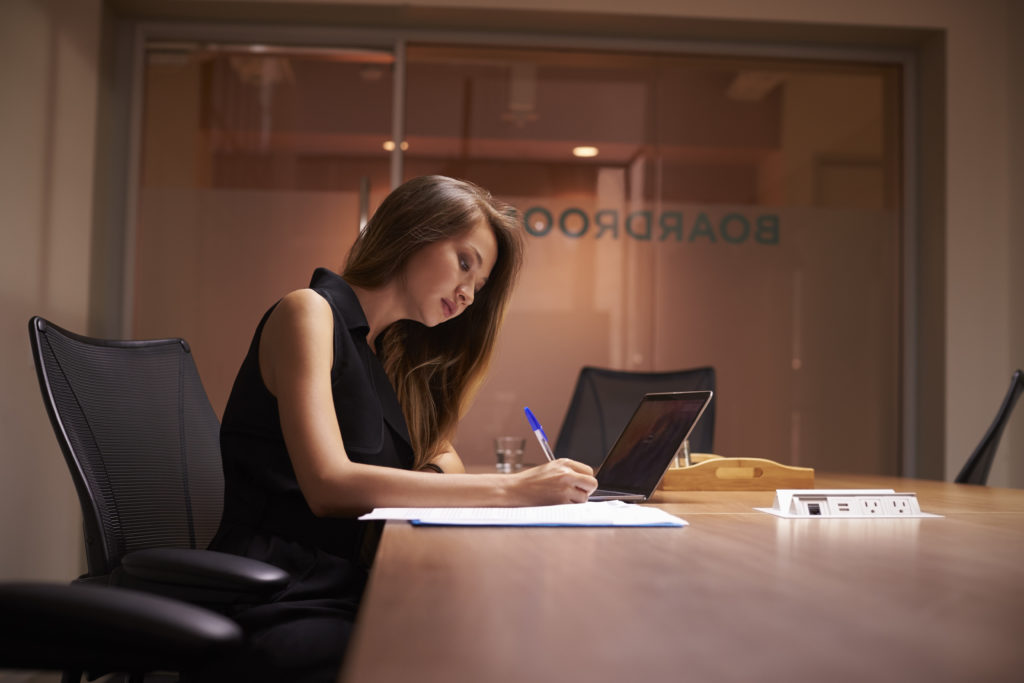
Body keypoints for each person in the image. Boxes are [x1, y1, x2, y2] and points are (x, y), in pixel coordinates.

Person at [200, 175, 597, 683]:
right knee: (461, 651)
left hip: (347, 583)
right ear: (415, 231)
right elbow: (329, 485)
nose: (468, 295)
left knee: (497, 630)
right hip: (281, 590)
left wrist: (429, 472)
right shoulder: (309, 313)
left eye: (478, 286)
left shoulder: (383, 357)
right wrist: (512, 489)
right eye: (465, 263)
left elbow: (443, 456)